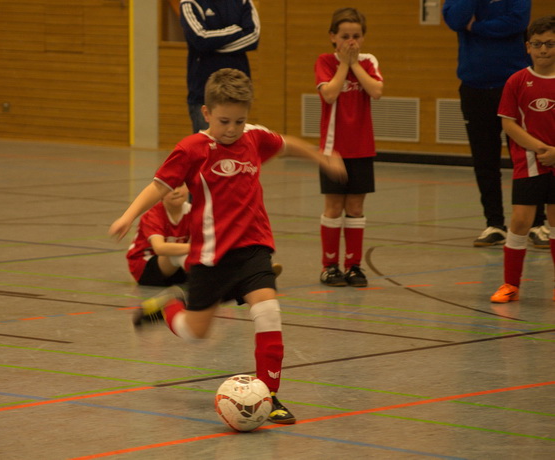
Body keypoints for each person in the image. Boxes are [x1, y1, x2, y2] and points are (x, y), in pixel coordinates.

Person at [109, 68, 347, 424]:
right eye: (224, 121)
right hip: (210, 257)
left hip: (253, 247)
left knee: (269, 313)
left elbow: (286, 144)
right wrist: (128, 216)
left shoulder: (254, 138)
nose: (232, 129)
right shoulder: (192, 149)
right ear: (206, 113)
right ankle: (170, 308)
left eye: (239, 120)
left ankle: (270, 396)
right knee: (195, 333)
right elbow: (159, 186)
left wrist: (321, 157)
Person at [443, 0, 550, 249]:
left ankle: (537, 223)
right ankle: (494, 224)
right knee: (484, 160)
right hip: (475, 86)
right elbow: (455, 20)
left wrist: (475, 27)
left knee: (529, 156)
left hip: (514, 83)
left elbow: (516, 23)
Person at [314, 7, 383, 288]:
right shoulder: (325, 61)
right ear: (333, 36)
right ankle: (329, 266)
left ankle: (353, 266)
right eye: (345, 37)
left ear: (363, 38)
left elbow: (376, 91)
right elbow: (329, 95)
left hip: (362, 148)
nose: (351, 42)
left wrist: (355, 64)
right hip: (333, 150)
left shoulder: (368, 61)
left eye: (356, 36)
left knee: (355, 207)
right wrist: (344, 63)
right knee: (333, 208)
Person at [490, 15, 555, 303]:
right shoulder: (517, 81)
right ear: (528, 46)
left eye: (550, 44)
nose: (543, 50)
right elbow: (509, 123)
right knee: (519, 222)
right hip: (529, 163)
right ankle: (510, 285)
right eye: (537, 44)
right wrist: (541, 149)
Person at [180, 0, 260, 133]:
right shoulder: (190, 2)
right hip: (202, 93)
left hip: (238, 93)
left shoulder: (243, 2)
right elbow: (200, 40)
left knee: (236, 142)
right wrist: (234, 30)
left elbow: (253, 37)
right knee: (207, 144)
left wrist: (212, 48)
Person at [126, 184, 191, 286]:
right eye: (170, 188)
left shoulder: (194, 211)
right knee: (177, 253)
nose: (176, 191)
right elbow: (159, 248)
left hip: (173, 267)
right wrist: (196, 248)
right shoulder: (153, 215)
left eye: (180, 185)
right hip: (144, 266)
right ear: (160, 193)